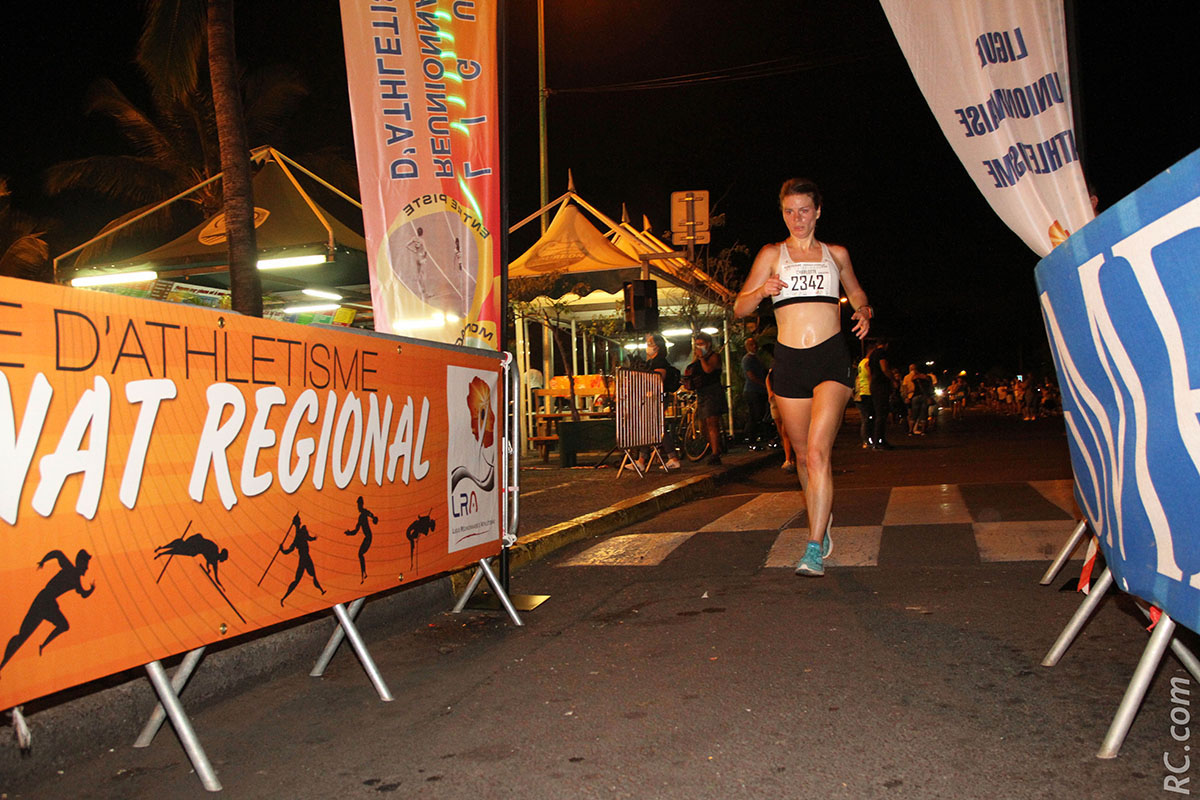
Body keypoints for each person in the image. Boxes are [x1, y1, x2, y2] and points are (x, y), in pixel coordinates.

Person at [734, 178, 871, 577]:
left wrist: (864, 311)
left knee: (817, 452)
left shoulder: (836, 255)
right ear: (783, 214)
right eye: (789, 211)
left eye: (804, 210)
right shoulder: (771, 254)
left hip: (831, 359)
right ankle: (820, 518)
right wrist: (762, 290)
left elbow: (857, 293)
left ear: (818, 212)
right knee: (803, 460)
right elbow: (740, 307)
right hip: (790, 361)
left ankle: (812, 547)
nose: (797, 218)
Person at [1, 549, 95, 672]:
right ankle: (2, 665)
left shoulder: (76, 580)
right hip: (44, 600)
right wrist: (43, 561)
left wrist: (91, 590)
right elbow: (57, 553)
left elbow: (83, 594)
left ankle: (43, 645)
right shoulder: (69, 568)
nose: (87, 568)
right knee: (23, 635)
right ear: (80, 562)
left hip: (50, 604)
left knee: (63, 625)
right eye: (86, 564)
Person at [635, 332, 681, 471]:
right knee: (649, 427)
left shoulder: (659, 361)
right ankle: (642, 460)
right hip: (653, 397)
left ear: (658, 347)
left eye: (650, 343)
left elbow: (658, 379)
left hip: (657, 398)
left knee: (657, 427)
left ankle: (672, 458)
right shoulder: (652, 361)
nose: (647, 346)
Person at [688, 331, 725, 465]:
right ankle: (716, 447)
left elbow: (708, 370)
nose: (699, 347)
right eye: (697, 344)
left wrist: (702, 358)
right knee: (703, 425)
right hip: (702, 393)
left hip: (712, 392)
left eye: (701, 344)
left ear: (708, 344)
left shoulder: (714, 356)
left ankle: (715, 453)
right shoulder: (697, 358)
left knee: (712, 422)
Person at [741, 336, 770, 446]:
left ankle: (756, 436)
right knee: (755, 414)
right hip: (753, 390)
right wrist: (763, 384)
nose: (754, 347)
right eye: (751, 345)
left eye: (755, 344)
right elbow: (751, 375)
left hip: (759, 390)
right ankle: (750, 437)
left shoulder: (757, 358)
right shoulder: (747, 359)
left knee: (760, 413)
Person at [766, 370, 795, 470]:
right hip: (776, 399)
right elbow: (768, 378)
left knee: (786, 431)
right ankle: (790, 457)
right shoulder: (775, 369)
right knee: (782, 432)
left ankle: (788, 459)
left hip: (787, 399)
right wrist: (770, 392)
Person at [853, 349, 873, 448]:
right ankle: (867, 440)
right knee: (867, 418)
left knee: (865, 418)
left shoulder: (860, 365)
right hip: (866, 393)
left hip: (860, 395)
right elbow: (869, 375)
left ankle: (866, 440)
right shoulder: (867, 363)